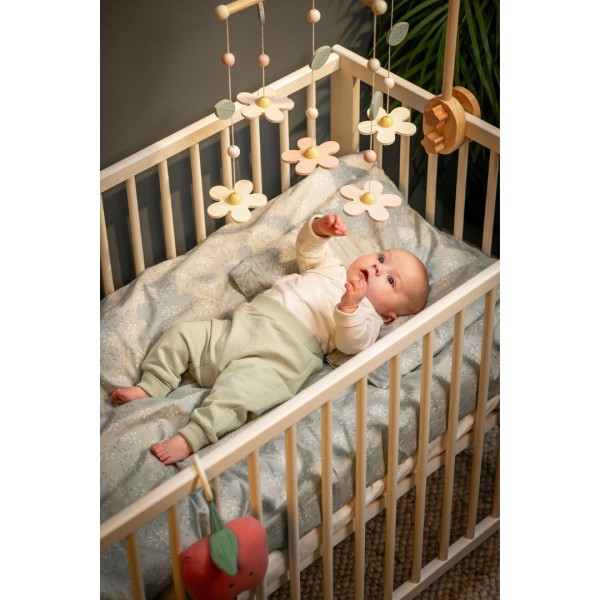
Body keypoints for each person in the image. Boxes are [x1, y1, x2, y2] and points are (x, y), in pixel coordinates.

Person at [112, 213, 429, 464]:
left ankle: (192, 436)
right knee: (183, 335)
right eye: (382, 258)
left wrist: (350, 307)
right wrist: (319, 229)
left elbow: (352, 343)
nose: (378, 268)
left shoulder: (369, 317)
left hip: (282, 357)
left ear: (390, 316)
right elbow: (309, 250)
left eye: (391, 280)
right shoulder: (333, 268)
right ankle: (153, 384)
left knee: (241, 395)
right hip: (243, 326)